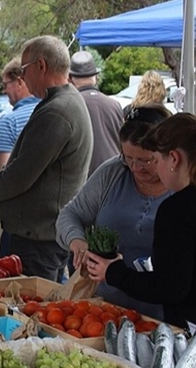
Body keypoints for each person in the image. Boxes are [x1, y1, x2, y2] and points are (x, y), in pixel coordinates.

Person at [0, 35, 93, 282]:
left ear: (41, 66)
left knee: (29, 312)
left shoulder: (58, 111)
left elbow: (20, 175)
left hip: (38, 242)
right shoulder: (63, 101)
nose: (23, 78)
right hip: (44, 236)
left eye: (24, 70)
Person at [56, 105, 172, 320]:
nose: (136, 167)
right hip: (104, 308)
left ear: (168, 154)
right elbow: (70, 215)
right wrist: (77, 241)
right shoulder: (114, 172)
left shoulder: (183, 189)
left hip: (164, 315)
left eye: (146, 160)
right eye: (129, 158)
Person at [86, 112, 196, 329]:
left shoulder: (177, 210)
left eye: (155, 160)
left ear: (174, 158)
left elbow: (170, 287)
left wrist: (113, 272)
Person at [68, 51, 124, 176]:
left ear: (70, 79)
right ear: (96, 78)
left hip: (85, 179)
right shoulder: (114, 105)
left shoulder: (70, 105)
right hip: (114, 175)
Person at [0, 57, 40, 169]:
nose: (4, 91)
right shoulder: (53, 113)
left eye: (5, 85)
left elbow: (3, 175)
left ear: (19, 82)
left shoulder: (9, 123)